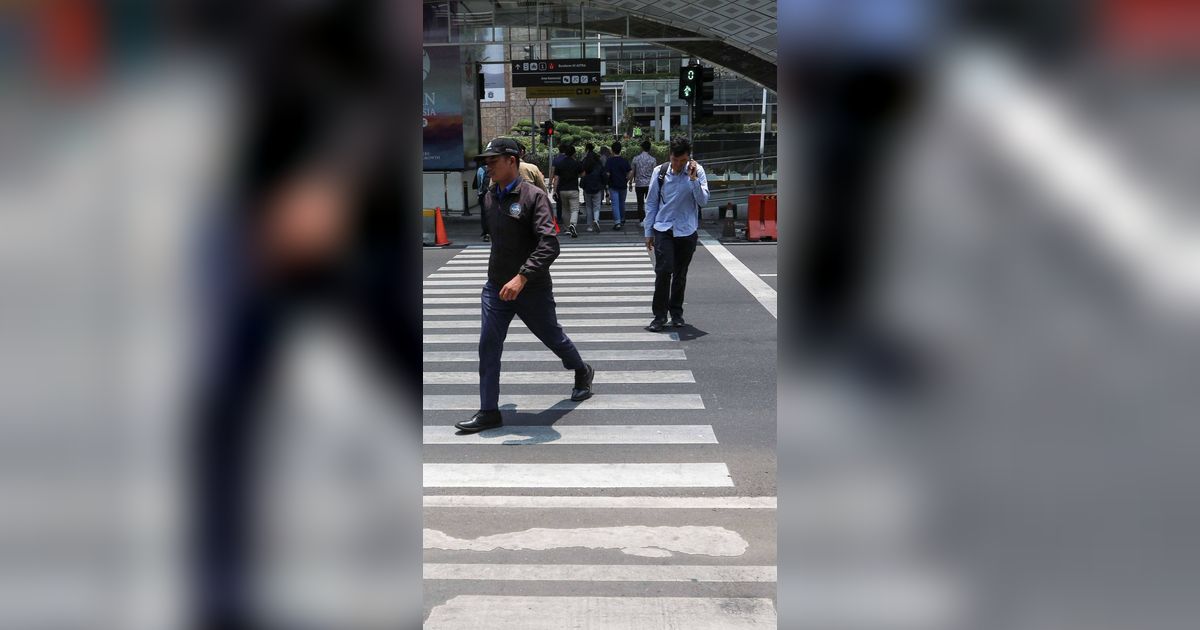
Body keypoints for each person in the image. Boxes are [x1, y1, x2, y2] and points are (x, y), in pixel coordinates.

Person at [456, 137, 594, 434]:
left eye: (493, 160)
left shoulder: (533, 197)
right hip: (496, 288)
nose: (487, 165)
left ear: (511, 161)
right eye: (486, 161)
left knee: (553, 338)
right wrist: (503, 278)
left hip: (531, 288)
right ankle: (489, 411)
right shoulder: (490, 196)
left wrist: (522, 276)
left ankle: (582, 371)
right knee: (488, 345)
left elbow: (550, 244)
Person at [643, 137, 709, 331]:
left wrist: (694, 179)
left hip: (687, 230)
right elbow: (652, 202)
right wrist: (648, 232)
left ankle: (677, 313)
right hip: (663, 228)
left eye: (682, 160)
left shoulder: (697, 172)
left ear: (689, 158)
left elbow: (703, 201)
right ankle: (659, 316)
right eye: (675, 159)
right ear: (670, 156)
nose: (678, 164)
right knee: (663, 271)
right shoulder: (660, 172)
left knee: (680, 274)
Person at [549, 144, 582, 238]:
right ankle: (573, 224)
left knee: (565, 209)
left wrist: (554, 190)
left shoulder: (560, 163)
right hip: (573, 189)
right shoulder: (576, 163)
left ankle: (567, 229)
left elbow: (556, 178)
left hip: (562, 190)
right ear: (574, 153)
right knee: (574, 209)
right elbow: (582, 173)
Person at [604, 141, 632, 230]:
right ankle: (622, 219)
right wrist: (627, 179)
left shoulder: (609, 161)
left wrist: (607, 183)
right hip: (623, 185)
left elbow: (607, 174)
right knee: (622, 203)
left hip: (613, 185)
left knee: (615, 204)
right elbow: (630, 171)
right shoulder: (624, 160)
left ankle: (617, 222)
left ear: (612, 150)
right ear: (620, 150)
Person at [579, 142, 604, 232]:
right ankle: (596, 220)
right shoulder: (598, 160)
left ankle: (589, 226)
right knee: (596, 206)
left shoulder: (585, 160)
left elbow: (580, 170)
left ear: (586, 149)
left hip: (587, 186)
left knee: (589, 206)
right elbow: (602, 173)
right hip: (597, 185)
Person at [630, 140, 656, 224]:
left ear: (642, 148)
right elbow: (654, 173)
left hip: (639, 184)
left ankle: (642, 220)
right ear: (649, 148)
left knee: (640, 203)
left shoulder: (636, 159)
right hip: (649, 184)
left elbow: (632, 172)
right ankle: (649, 219)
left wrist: (630, 183)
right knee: (650, 203)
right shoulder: (653, 160)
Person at [473, 162, 491, 241]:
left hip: (483, 195)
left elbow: (478, 184)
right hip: (495, 194)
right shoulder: (498, 168)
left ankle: (486, 234)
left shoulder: (481, 169)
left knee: (484, 214)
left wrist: (478, 194)